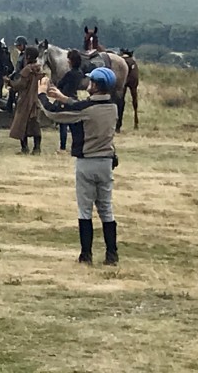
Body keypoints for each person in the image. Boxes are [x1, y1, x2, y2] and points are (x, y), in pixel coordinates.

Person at [37, 67, 119, 265]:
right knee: (106, 209)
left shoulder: (86, 109)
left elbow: (53, 113)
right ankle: (112, 254)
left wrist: (41, 94)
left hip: (87, 162)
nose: (88, 84)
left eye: (91, 82)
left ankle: (86, 256)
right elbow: (83, 106)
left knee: (85, 210)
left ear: (97, 85)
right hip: (106, 162)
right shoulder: (113, 107)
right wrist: (64, 98)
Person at [8, 45, 43, 155]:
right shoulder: (39, 68)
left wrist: (9, 82)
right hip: (36, 100)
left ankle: (25, 148)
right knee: (35, 125)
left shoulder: (27, 70)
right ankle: (37, 148)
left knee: (21, 124)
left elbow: (20, 85)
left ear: (27, 56)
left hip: (25, 100)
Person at [56, 49, 85, 153]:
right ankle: (75, 146)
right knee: (73, 126)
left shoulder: (69, 74)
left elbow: (60, 84)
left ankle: (62, 147)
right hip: (74, 98)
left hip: (65, 98)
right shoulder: (80, 73)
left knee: (63, 124)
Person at [4, 36, 28, 111]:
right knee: (12, 91)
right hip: (17, 76)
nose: (18, 47)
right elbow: (17, 68)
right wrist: (12, 75)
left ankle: (11, 107)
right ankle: (9, 106)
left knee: (13, 90)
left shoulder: (26, 56)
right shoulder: (21, 55)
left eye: (19, 45)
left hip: (22, 77)